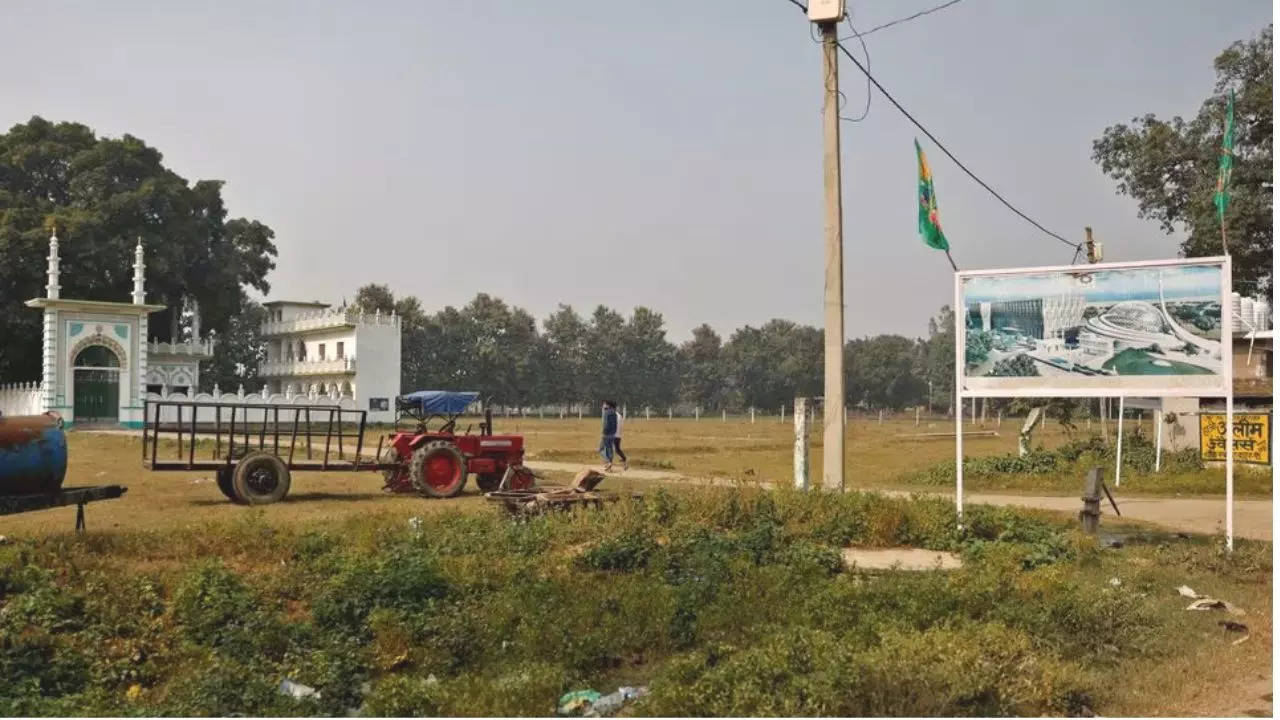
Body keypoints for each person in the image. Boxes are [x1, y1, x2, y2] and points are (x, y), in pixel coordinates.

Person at [599, 399, 618, 471]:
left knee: (600, 449)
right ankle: (609, 465)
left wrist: (604, 431)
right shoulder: (615, 413)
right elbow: (615, 424)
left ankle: (608, 462)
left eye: (604, 404)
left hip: (606, 434)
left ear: (608, 405)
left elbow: (605, 424)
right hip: (612, 434)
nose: (603, 405)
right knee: (610, 449)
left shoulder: (606, 412)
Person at [612, 404, 629, 471]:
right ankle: (625, 462)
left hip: (613, 435)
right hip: (618, 435)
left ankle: (609, 465)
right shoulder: (620, 416)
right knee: (617, 450)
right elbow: (621, 426)